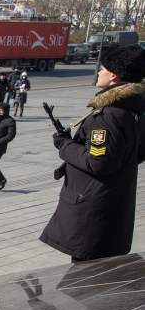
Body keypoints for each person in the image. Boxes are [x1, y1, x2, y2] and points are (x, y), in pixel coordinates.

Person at [41, 45, 145, 262]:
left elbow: (99, 162)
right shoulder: (134, 110)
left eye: (102, 68)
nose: (98, 72)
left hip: (93, 216)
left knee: (84, 276)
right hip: (113, 212)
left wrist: (64, 145)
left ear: (114, 75)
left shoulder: (108, 116)